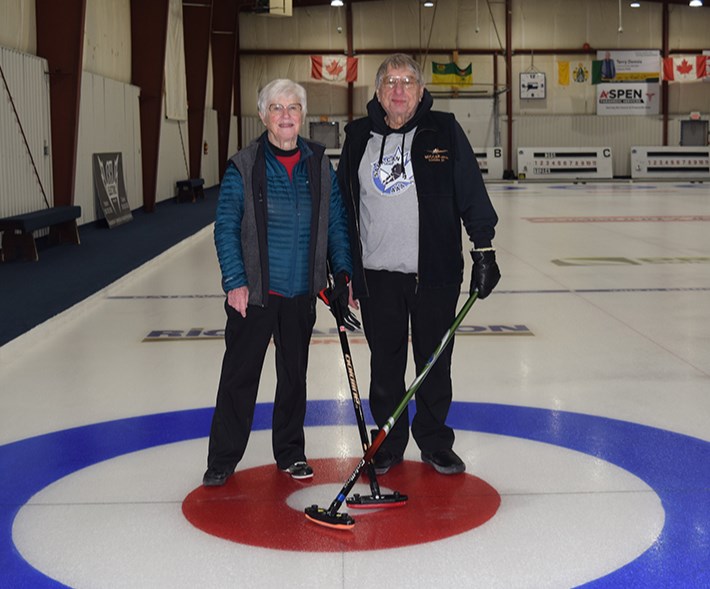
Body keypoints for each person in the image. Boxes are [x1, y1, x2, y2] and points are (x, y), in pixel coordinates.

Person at [337, 54, 500, 476]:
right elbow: (341, 210)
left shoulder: (442, 129)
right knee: (386, 364)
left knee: (434, 361)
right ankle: (388, 444)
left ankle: (433, 441)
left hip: (435, 273)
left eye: (408, 81)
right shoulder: (357, 137)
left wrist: (483, 247)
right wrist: (341, 269)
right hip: (377, 276)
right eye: (390, 82)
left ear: (421, 91)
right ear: (377, 91)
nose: (398, 90)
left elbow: (470, 190)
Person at [203, 79, 352, 487]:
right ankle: (223, 457)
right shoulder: (244, 165)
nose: (285, 116)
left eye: (293, 108)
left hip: (301, 292)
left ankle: (290, 452)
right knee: (239, 376)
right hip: (254, 293)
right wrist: (235, 280)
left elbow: (336, 222)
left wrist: (341, 272)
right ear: (263, 115)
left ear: (302, 115)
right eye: (276, 108)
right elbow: (226, 226)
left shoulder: (320, 164)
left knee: (294, 377)